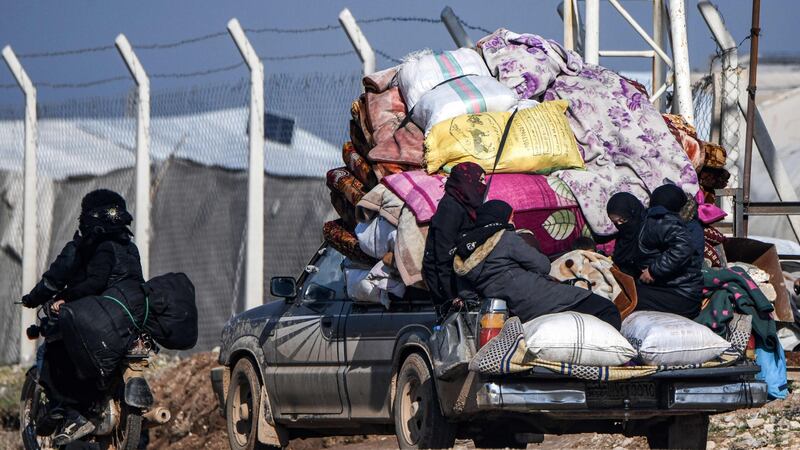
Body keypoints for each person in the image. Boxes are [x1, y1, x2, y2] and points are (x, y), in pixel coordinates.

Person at [20, 189, 144, 446]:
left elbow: (71, 282)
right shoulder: (130, 249)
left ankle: (66, 410)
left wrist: (44, 299)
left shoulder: (85, 248)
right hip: (130, 321)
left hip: (97, 320)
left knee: (55, 348)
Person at [453, 200, 622, 329]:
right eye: (511, 218)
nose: (513, 222)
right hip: (544, 299)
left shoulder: (464, 254)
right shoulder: (505, 238)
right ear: (503, 219)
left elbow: (467, 294)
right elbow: (543, 266)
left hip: (516, 313)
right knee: (607, 309)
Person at [634, 184, 703, 318]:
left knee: (627, 298)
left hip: (682, 295)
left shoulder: (663, 221)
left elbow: (683, 247)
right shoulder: (665, 221)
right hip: (675, 291)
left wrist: (653, 270)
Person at [422, 162, 485, 307]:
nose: (484, 185)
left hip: (461, 280)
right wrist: (451, 297)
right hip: (446, 285)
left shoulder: (468, 205)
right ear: (467, 181)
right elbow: (443, 256)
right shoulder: (450, 208)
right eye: (480, 180)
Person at [606, 192, 646, 278]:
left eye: (623, 220)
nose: (619, 225)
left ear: (633, 213)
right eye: (615, 222)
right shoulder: (622, 236)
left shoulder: (648, 230)